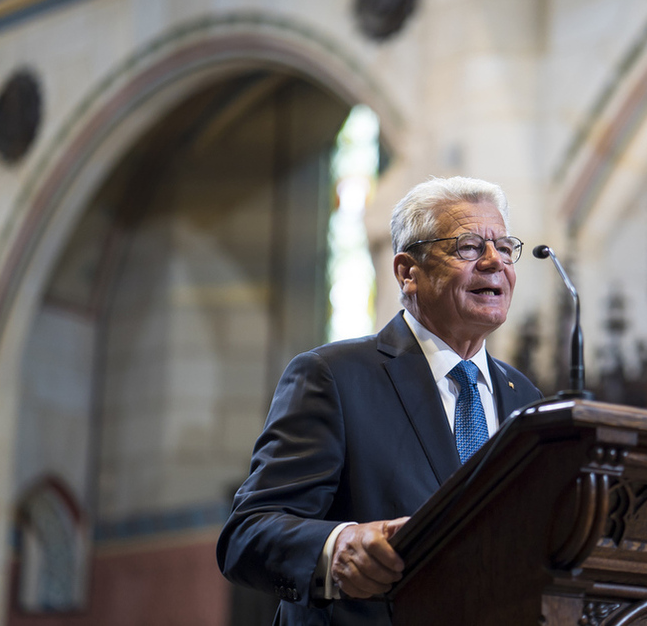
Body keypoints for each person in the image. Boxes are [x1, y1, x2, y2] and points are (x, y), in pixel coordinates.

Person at [217, 176, 543, 625]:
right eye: (468, 247)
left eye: (505, 248)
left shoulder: (526, 399)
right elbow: (246, 534)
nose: (494, 262)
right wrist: (339, 547)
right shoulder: (335, 376)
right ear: (408, 272)